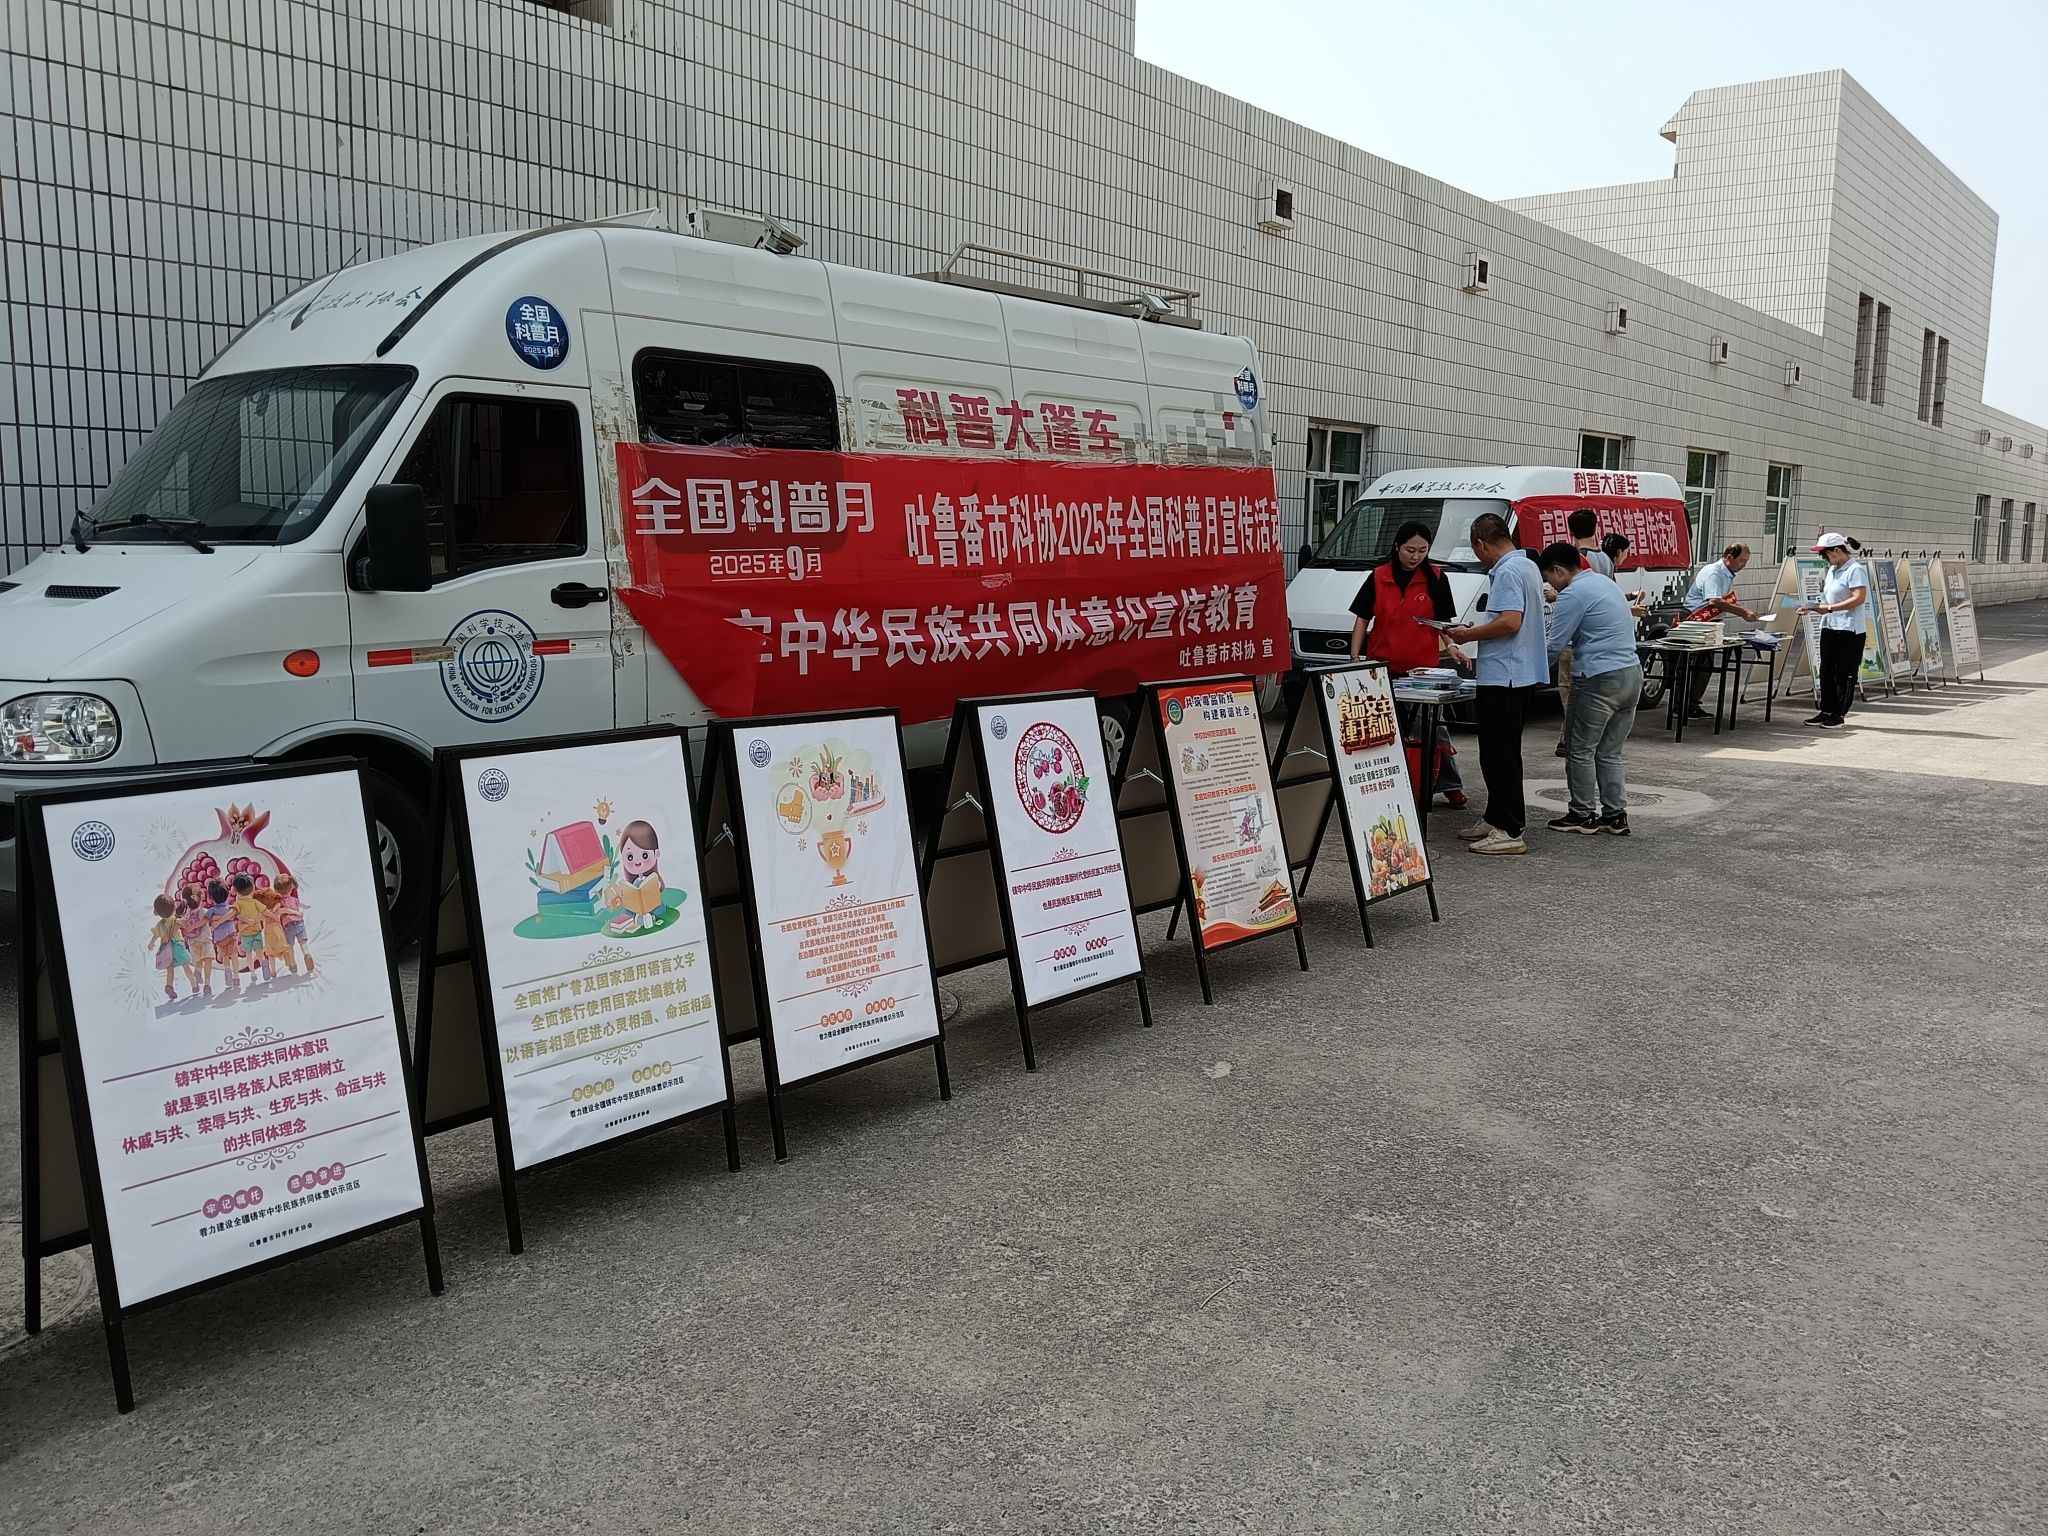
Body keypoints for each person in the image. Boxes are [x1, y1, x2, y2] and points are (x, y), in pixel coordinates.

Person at [1444, 513, 1548, 855]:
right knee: (1497, 752)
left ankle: (1510, 828)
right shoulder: (1527, 564)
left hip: (1506, 675)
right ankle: (1495, 816)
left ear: (1481, 544)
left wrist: (1468, 633)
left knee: (1500, 754)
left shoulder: (1507, 570)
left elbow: (1509, 622)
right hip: (1518, 673)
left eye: (1476, 551)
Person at [1346, 520, 1467, 807]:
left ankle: (1450, 785)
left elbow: (1442, 623)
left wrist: (1452, 645)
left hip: (1423, 672)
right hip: (1382, 668)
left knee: (1431, 729)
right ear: (1397, 546)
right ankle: (1391, 785)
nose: (1416, 556)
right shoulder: (1379, 577)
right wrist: (1355, 658)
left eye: (1422, 551)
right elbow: (1362, 619)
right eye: (1410, 550)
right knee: (1385, 729)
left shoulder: (1436, 578)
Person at [1538, 544, 1643, 835]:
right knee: (1609, 752)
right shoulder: (1604, 583)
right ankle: (1615, 815)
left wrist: (1528, 674)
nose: (1550, 586)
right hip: (1631, 674)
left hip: (1598, 678)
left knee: (1579, 749)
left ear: (1558, 570)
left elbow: (1554, 645)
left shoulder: (1573, 594)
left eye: (1549, 578)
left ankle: (1581, 813)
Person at [1551, 508, 1617, 755]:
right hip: (1599, 639)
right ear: (1596, 528)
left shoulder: (1575, 558)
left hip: (1575, 637)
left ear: (1570, 530)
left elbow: (1571, 595)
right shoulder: (1606, 559)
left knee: (1569, 689)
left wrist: (1554, 595)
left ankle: (1569, 737)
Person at [1679, 544, 1762, 718]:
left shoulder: (1727, 573)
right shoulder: (1714, 572)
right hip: (1696, 621)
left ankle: (1691, 704)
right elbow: (1715, 601)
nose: (1744, 565)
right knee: (1693, 666)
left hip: (1709, 623)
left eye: (1746, 561)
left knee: (1705, 666)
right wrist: (1743, 612)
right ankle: (1682, 705)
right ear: (1729, 557)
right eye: (1742, 561)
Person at [1799, 532, 1871, 726]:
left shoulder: (1855, 570)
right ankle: (1826, 709)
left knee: (1844, 672)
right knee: (1826, 670)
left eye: (1826, 555)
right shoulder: (1832, 570)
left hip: (1849, 629)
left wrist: (1830, 608)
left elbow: (1858, 598)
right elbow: (1829, 597)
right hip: (1829, 625)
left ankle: (1838, 714)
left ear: (1837, 550)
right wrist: (1812, 607)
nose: (1825, 559)